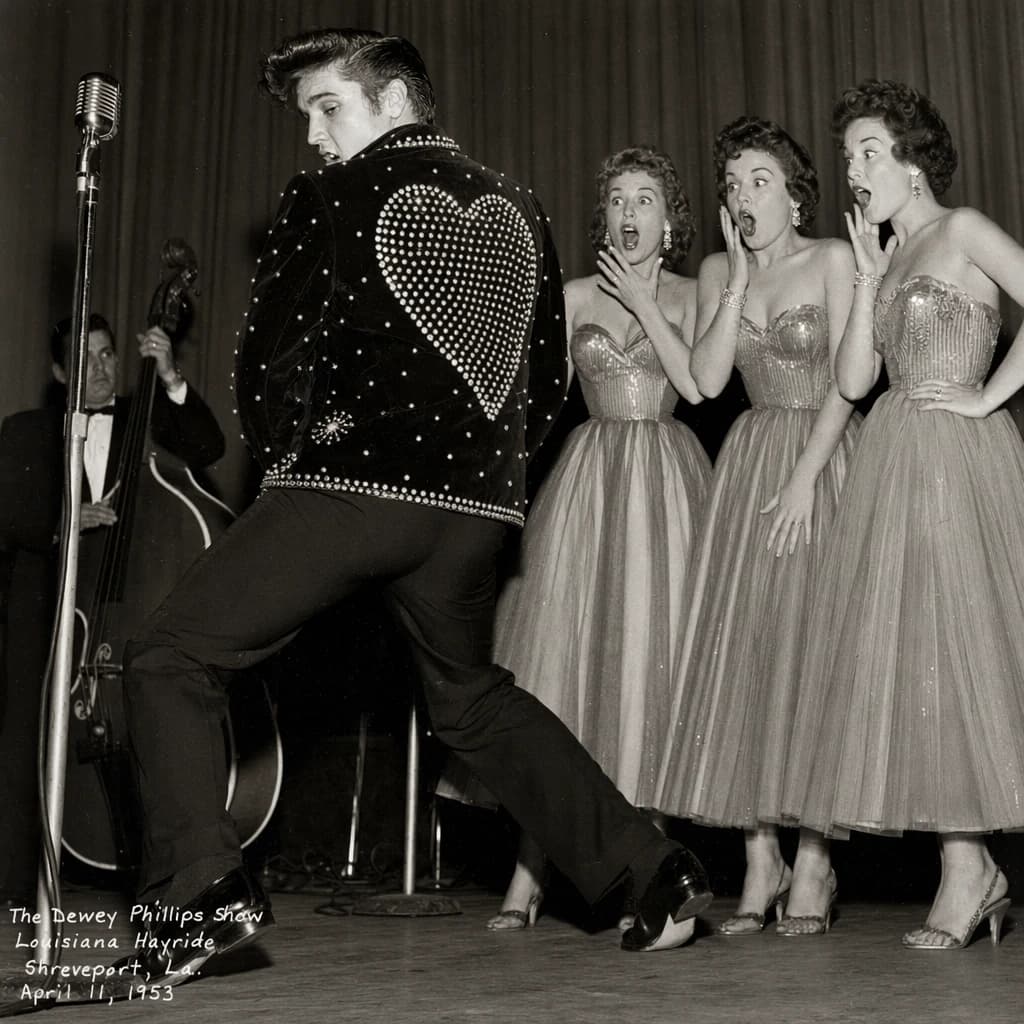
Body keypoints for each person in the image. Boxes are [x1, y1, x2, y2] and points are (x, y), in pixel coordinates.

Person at [117, 28, 712, 986]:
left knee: (166, 655)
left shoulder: (329, 194)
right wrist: (487, 482)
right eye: (306, 116)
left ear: (393, 101)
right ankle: (654, 873)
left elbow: (267, 363)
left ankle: (195, 898)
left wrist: (290, 464)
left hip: (349, 491)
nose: (313, 135)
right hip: (473, 515)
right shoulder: (520, 205)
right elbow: (545, 378)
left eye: (328, 108)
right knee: (471, 701)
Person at [443, 146, 711, 931]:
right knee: (560, 677)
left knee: (649, 680)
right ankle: (528, 871)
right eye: (618, 199)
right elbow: (535, 404)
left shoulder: (695, 293)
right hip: (587, 486)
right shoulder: (575, 295)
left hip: (664, 482)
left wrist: (648, 305)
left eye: (645, 199)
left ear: (670, 219)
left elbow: (697, 383)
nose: (629, 213)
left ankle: (648, 872)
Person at [782, 79, 1024, 948]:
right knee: (916, 660)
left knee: (964, 653)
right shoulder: (887, 255)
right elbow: (853, 381)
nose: (853, 170)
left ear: (914, 159)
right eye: (847, 156)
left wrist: (987, 397)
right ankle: (968, 863)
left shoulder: (962, 230)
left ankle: (970, 868)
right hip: (891, 464)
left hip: (958, 462)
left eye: (869, 152)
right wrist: (868, 278)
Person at [652, 117, 858, 936]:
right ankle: (759, 856)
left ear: (795, 193)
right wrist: (735, 281)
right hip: (748, 466)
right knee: (748, 656)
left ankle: (814, 860)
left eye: (759, 181)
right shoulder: (717, 270)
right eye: (733, 184)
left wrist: (806, 477)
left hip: (822, 458)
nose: (743, 196)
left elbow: (852, 378)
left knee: (814, 656)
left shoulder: (832, 258)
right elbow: (703, 384)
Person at [0, 313, 224, 908]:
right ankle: (17, 883)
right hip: (50, 608)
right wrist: (66, 520)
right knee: (24, 735)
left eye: (107, 355)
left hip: (128, 608)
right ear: (58, 372)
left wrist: (170, 378)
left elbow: (210, 447)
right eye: (84, 359)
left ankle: (157, 871)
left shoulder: (146, 416)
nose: (99, 368)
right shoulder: (26, 431)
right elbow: (8, 515)